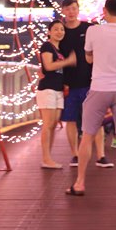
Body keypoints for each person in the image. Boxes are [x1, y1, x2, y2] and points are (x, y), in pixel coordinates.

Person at [66, 0, 116, 196]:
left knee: (87, 135)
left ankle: (80, 183)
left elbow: (88, 57)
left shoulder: (93, 30)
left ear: (104, 11)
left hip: (98, 87)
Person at [59, 0, 109, 168]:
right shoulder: (60, 31)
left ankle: (101, 155)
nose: (71, 12)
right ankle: (75, 154)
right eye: (68, 9)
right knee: (71, 120)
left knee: (97, 119)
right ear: (63, 11)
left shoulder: (88, 28)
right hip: (68, 84)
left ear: (78, 9)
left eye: (74, 8)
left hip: (91, 82)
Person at [37, 21, 76, 169]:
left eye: (61, 29)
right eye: (55, 30)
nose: (59, 32)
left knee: (53, 125)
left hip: (58, 90)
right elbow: (48, 66)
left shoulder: (59, 49)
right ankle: (46, 158)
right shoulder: (47, 46)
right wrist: (68, 61)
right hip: (48, 89)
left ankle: (48, 158)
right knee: (48, 125)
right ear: (49, 32)